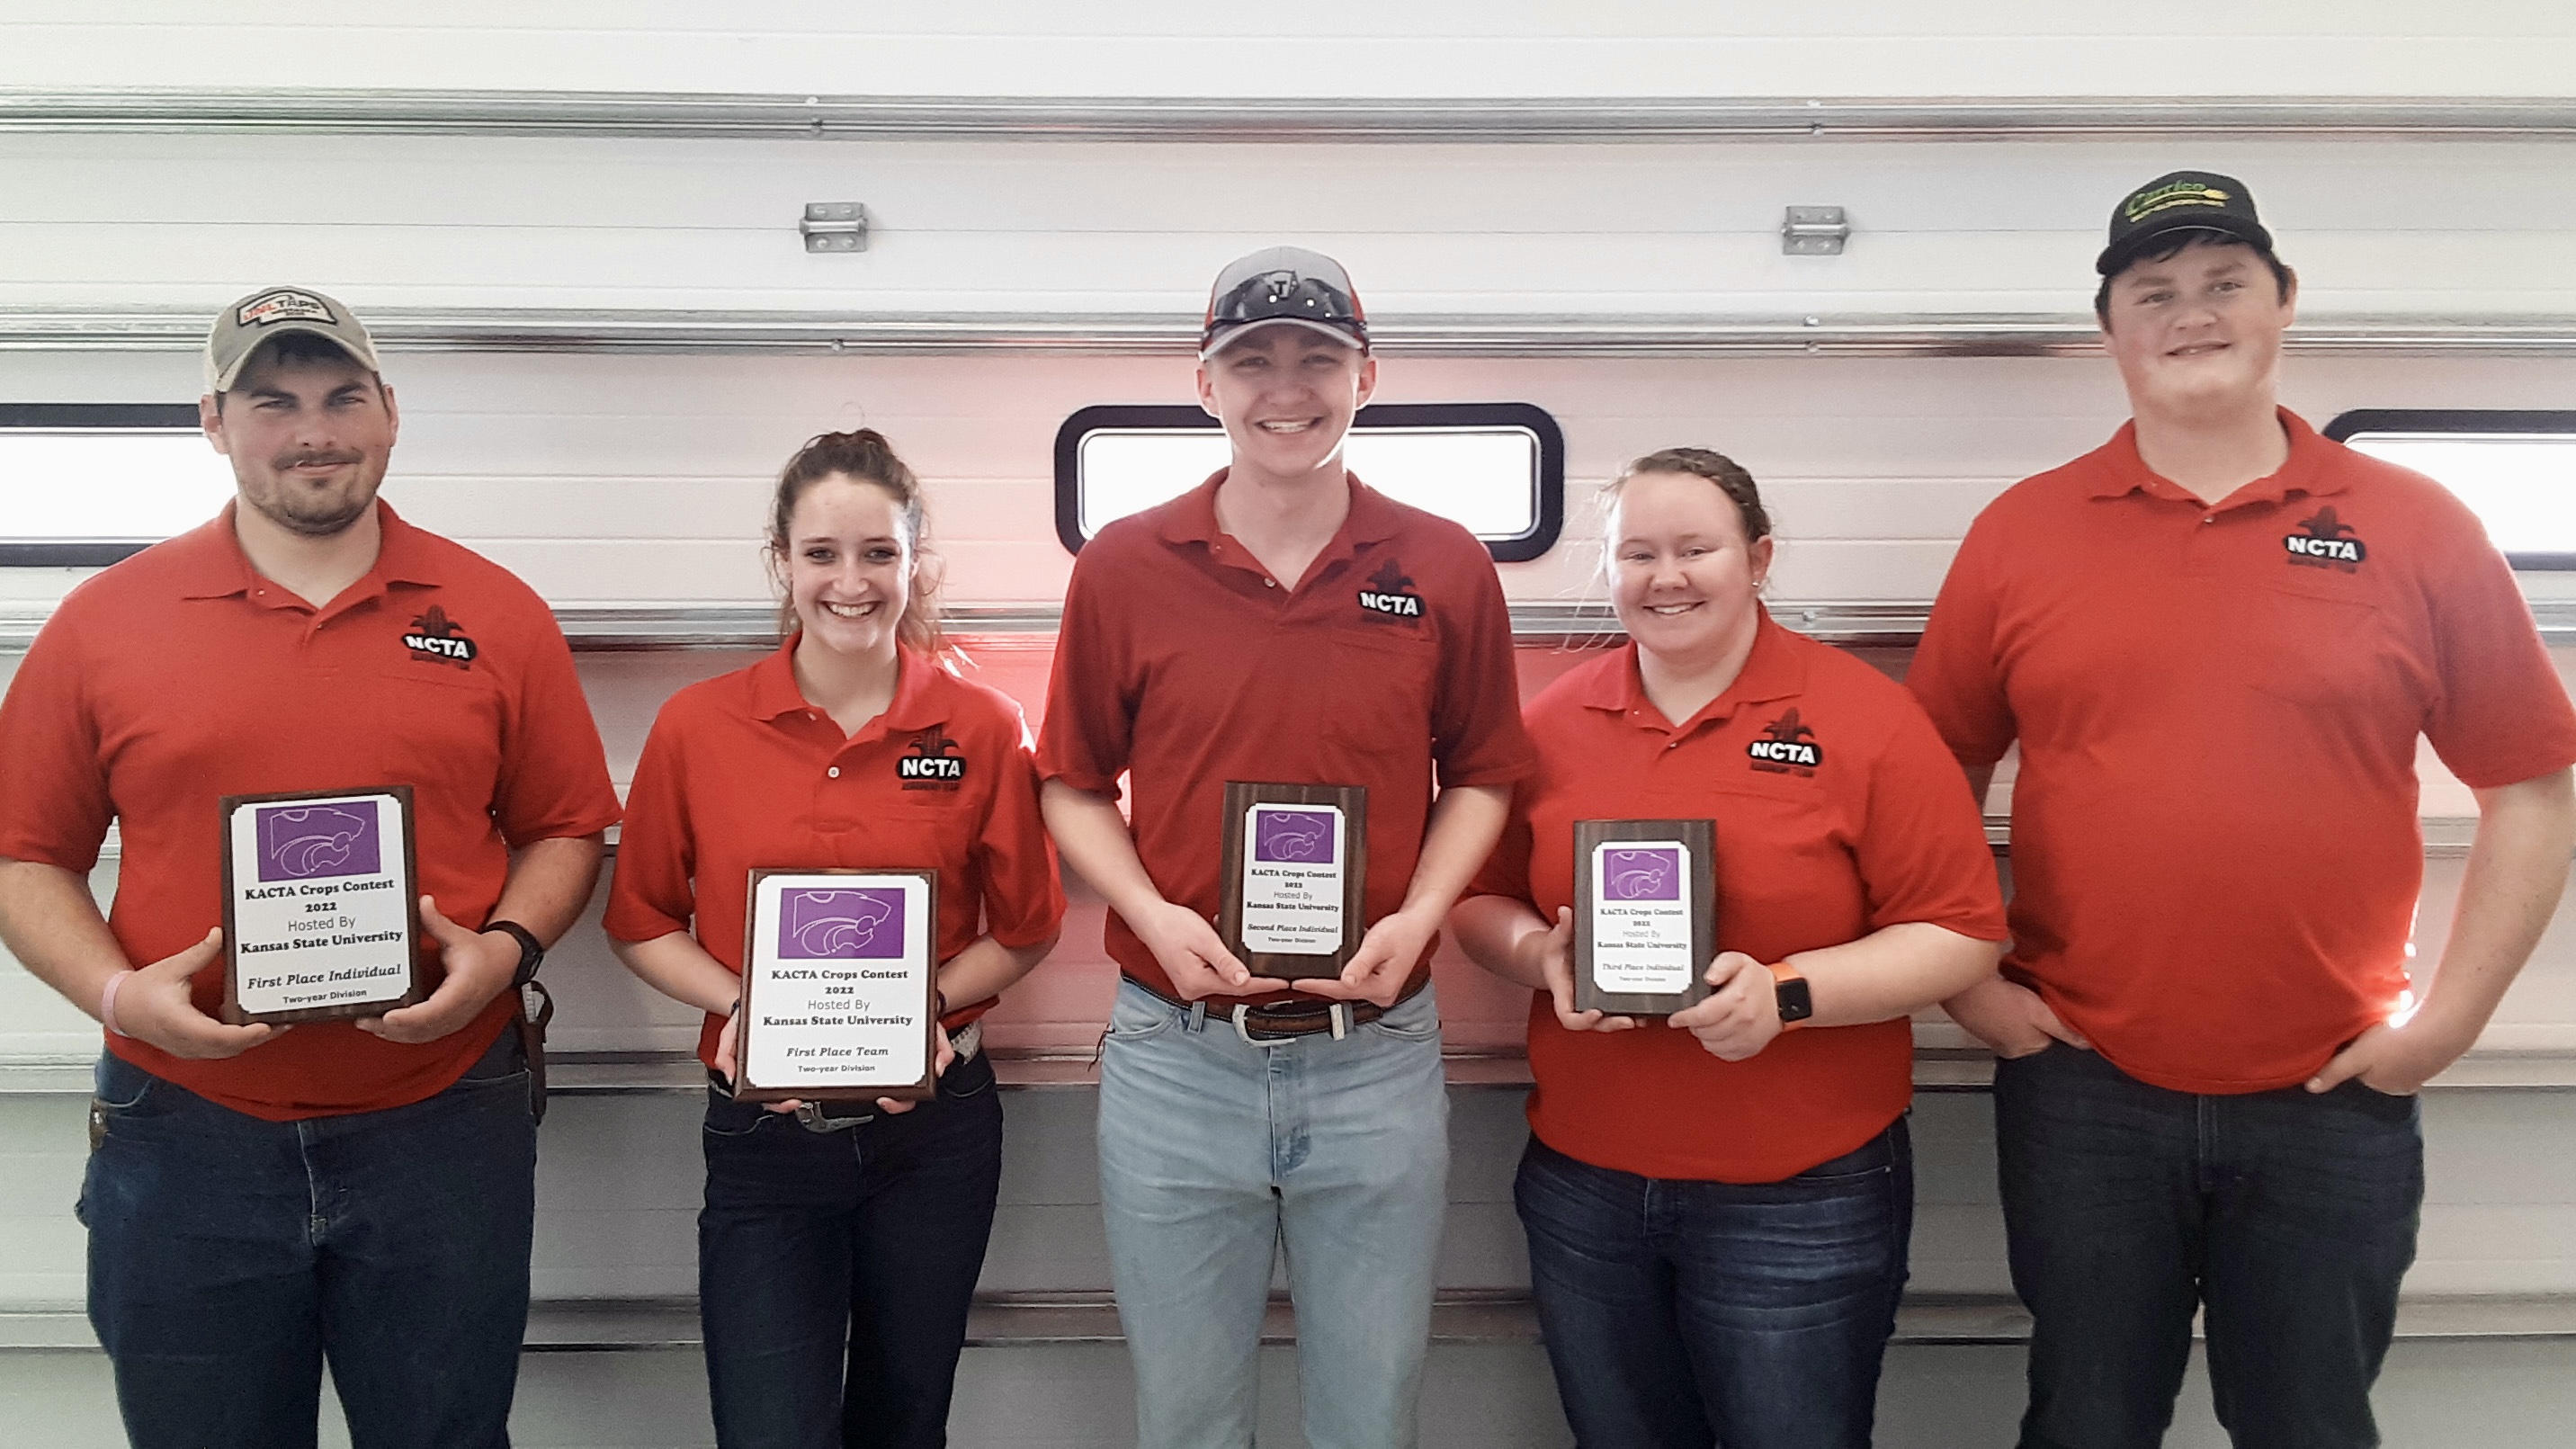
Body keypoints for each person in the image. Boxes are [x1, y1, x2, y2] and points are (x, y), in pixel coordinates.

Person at [1910, 171, 2576, 1449]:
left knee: (2312, 1422)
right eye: (2153, 292)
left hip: (2334, 1091)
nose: (2190, 314)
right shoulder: (2022, 531)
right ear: (2111, 331)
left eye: (2224, 283)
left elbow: (2532, 792)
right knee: (2087, 1419)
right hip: (2086, 1087)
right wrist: (1974, 991)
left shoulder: (2418, 526)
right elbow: (1930, 775)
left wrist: (2442, 1026)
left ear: (2283, 304)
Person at [0, 287, 620, 1449]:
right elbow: (24, 853)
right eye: (271, 400)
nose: (312, 428)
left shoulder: (496, 613)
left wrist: (508, 951)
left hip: (441, 1122)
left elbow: (566, 828)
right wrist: (121, 995)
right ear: (214, 422)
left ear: (391, 412)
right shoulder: (104, 621)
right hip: (185, 1132)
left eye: (342, 395)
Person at [1036, 246, 1536, 1449]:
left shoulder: (1444, 562)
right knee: (1188, 1416)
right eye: (1250, 360)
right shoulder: (1122, 565)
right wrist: (1153, 915)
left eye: (1317, 359)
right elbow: (1067, 781)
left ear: (1367, 376)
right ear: (1204, 385)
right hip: (1176, 1054)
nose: (1286, 387)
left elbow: (1484, 775)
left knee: (1370, 1415)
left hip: (1376, 1054)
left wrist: (1420, 916)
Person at [1449, 448, 2007, 1449]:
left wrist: (1788, 995)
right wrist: (1540, 957)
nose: (1665, 578)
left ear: (1756, 558)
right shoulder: (1550, 722)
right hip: (1588, 1188)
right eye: (1637, 554)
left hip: (1800, 1196)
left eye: (1695, 549)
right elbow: (1478, 901)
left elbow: (1959, 933)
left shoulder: (1863, 718)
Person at [604, 428, 1064, 1449]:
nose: (851, 583)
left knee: (905, 1422)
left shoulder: (981, 726)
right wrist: (746, 1008)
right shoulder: (696, 726)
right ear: (781, 560)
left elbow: (1027, 927)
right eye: (821, 555)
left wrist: (918, 1010)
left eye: (878, 554)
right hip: (763, 1138)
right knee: (771, 1429)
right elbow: (638, 920)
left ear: (913, 562)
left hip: (934, 1135)